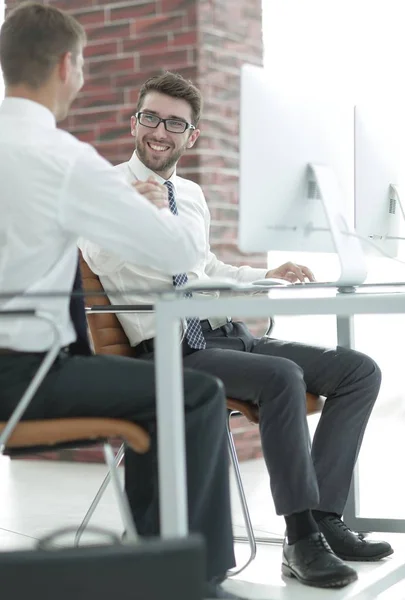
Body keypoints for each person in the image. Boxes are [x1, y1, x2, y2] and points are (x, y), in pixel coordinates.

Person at [80, 70, 394, 590]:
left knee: (359, 371)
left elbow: (205, 267)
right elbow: (98, 255)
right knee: (281, 376)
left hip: (224, 335)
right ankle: (299, 540)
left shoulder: (192, 196)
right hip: (170, 347)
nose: (160, 132)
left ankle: (322, 519)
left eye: (174, 124)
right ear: (135, 122)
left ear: (191, 136)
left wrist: (265, 275)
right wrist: (135, 213)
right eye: (151, 118)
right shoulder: (107, 190)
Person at [0, 5, 243, 599]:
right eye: (81, 65)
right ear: (67, 64)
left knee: (166, 394)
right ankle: (192, 581)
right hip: (26, 377)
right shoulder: (64, 159)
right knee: (196, 394)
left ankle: (156, 569)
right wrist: (157, 203)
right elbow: (176, 251)